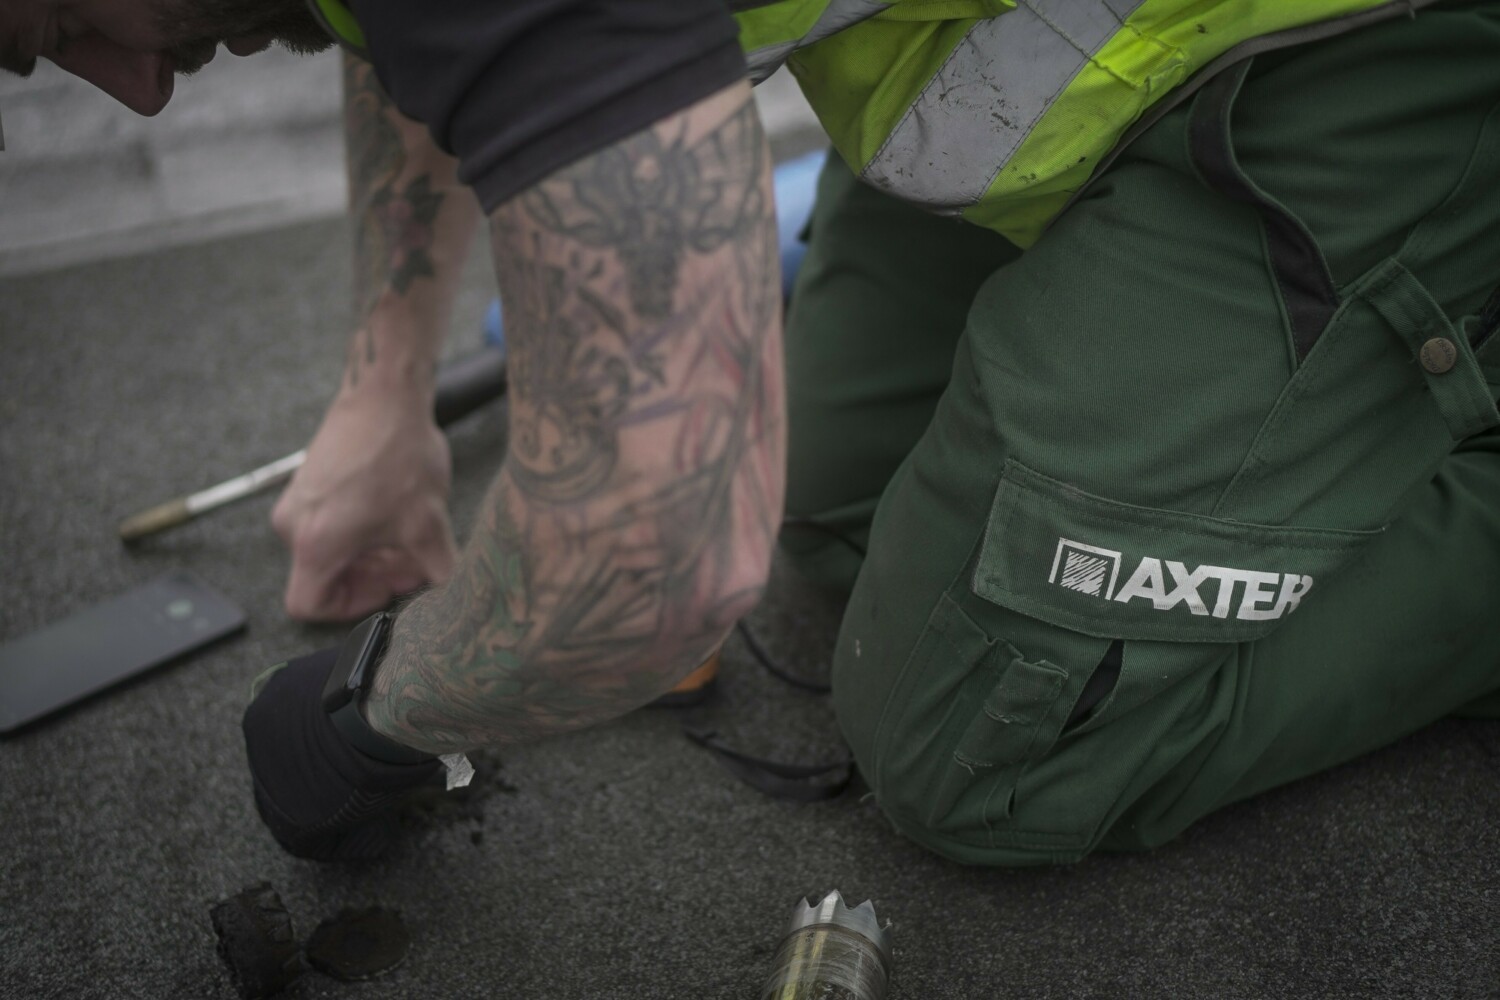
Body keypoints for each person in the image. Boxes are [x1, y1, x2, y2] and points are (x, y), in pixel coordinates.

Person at [6, 0, 1498, 867]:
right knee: (834, 515)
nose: (125, 85)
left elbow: (655, 555)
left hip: (1366, 51)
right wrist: (384, 389)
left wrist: (370, 718)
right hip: (1063, 58)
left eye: (65, 18)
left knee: (980, 748)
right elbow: (422, 29)